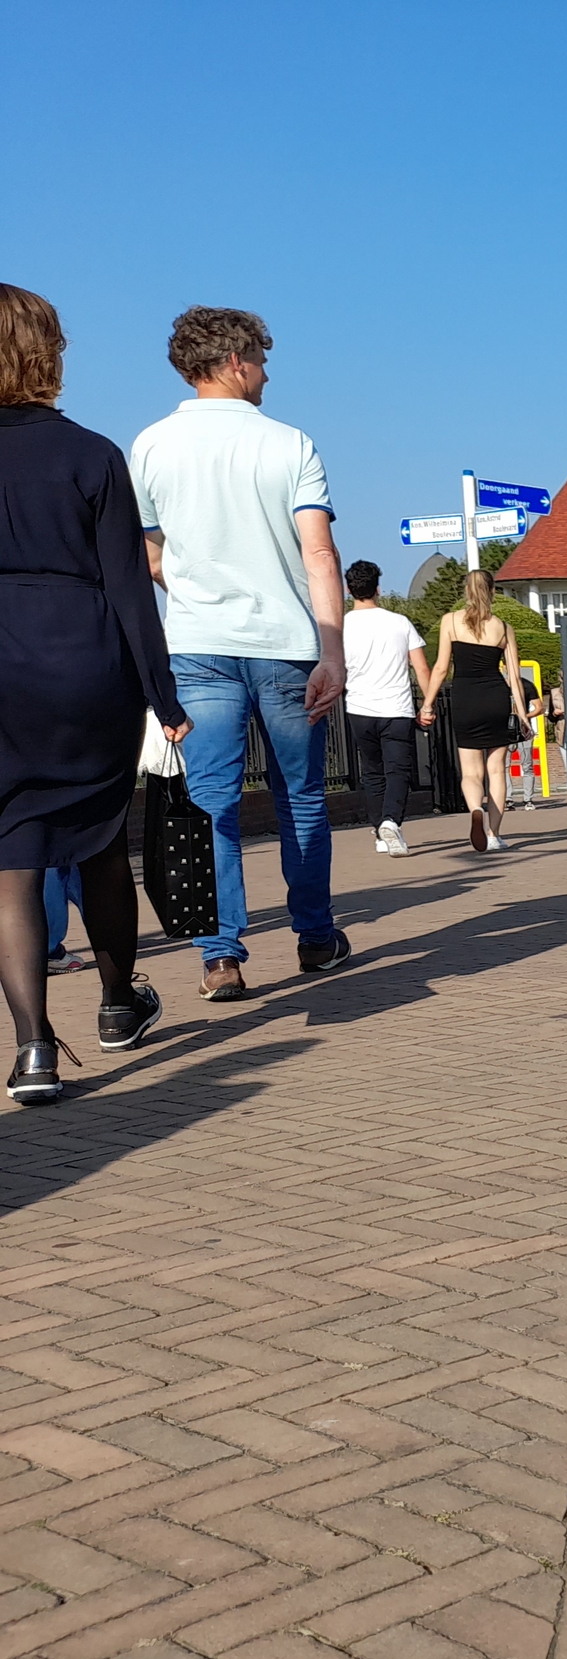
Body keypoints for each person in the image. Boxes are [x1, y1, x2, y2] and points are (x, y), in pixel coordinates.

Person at [0, 284, 189, 1101]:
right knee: (103, 844)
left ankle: (33, 1048)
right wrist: (165, 697)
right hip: (84, 663)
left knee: (11, 864)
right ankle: (117, 1003)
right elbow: (129, 590)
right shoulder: (93, 454)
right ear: (50, 354)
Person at [130, 305, 346, 1002]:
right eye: (260, 357)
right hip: (284, 647)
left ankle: (220, 956)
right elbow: (320, 552)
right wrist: (332, 650)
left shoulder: (151, 445)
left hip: (196, 646)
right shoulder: (291, 445)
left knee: (211, 804)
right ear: (234, 362)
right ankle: (315, 938)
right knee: (302, 800)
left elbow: (149, 553)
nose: (266, 371)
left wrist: (191, 582)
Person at [417, 570, 533, 851]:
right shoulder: (503, 628)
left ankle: (474, 811)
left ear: (466, 592)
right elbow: (515, 678)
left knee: (470, 773)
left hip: (465, 698)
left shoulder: (450, 622)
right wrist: (522, 714)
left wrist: (428, 704)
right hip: (495, 698)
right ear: (493, 592)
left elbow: (442, 668)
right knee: (496, 771)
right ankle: (493, 834)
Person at [340, 559, 428, 856]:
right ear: (377, 588)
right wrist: (428, 704)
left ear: (349, 588)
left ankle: (379, 830)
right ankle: (391, 819)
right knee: (398, 770)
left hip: (359, 707)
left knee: (372, 771)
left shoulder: (340, 626)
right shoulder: (399, 622)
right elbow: (420, 667)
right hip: (397, 708)